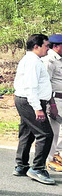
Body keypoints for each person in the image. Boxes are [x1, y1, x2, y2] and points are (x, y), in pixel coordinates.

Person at [13, 34, 56, 185]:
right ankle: (37, 168)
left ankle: (21, 165)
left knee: (27, 132)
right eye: (46, 46)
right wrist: (38, 109)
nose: (48, 49)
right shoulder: (32, 62)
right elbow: (31, 87)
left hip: (27, 100)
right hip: (31, 101)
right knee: (45, 134)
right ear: (36, 46)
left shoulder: (32, 60)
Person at [41, 34, 62, 172]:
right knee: (54, 131)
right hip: (55, 99)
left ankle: (57, 154)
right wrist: (52, 104)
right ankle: (50, 160)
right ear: (56, 46)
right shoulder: (49, 60)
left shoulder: (60, 60)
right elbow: (46, 83)